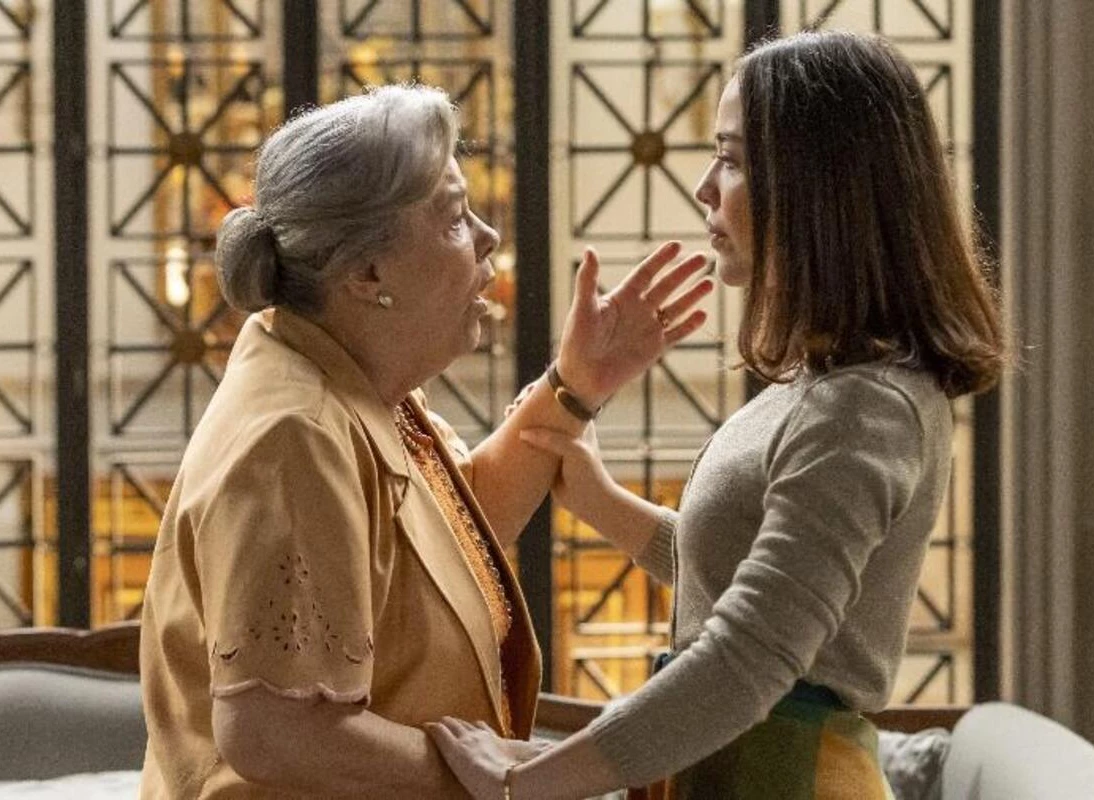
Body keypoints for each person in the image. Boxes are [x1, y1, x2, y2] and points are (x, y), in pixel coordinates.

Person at [427, 30, 1006, 799]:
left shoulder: (865, 411)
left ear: (815, 186)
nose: (704, 187)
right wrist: (602, 502)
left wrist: (525, 780)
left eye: (731, 160)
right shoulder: (828, 386)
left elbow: (751, 655)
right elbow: (741, 576)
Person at [137, 84, 714, 798]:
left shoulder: (346, 379)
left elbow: (448, 548)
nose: (489, 236)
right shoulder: (296, 435)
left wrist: (576, 385)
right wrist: (508, 779)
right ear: (366, 273)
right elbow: (272, 730)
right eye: (455, 218)